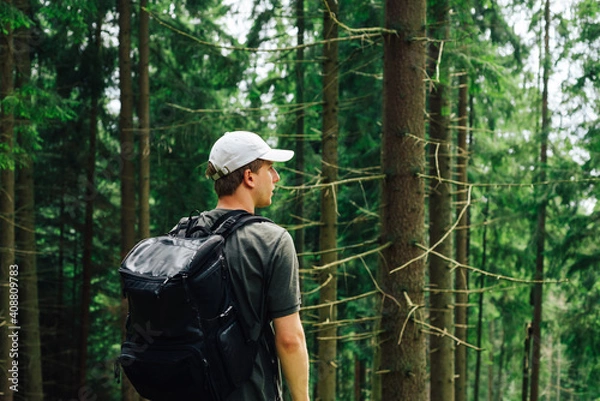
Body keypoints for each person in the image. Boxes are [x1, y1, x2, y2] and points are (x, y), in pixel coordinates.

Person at [201, 131, 310, 401]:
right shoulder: (271, 240)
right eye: (270, 169)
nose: (276, 178)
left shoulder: (183, 234)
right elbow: (289, 339)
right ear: (249, 177)